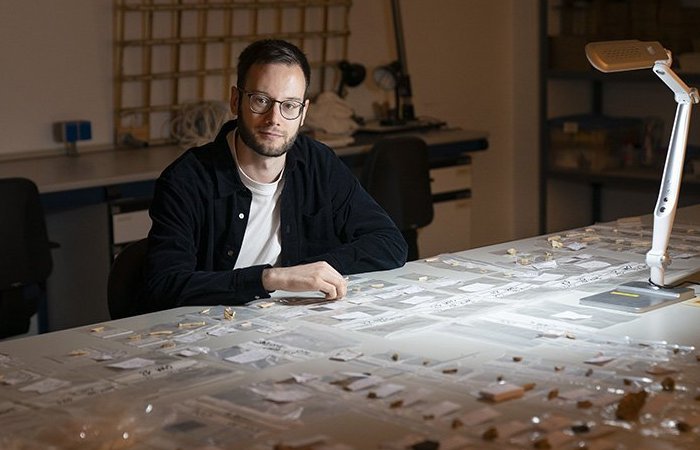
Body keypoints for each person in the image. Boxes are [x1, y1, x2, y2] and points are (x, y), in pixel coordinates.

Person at [141, 39, 407, 311]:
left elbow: (389, 243)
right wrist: (272, 278)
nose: (274, 119)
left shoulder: (318, 163)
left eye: (289, 105)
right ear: (236, 100)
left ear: (303, 113)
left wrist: (313, 272)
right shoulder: (187, 180)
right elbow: (165, 285)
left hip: (294, 322)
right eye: (261, 100)